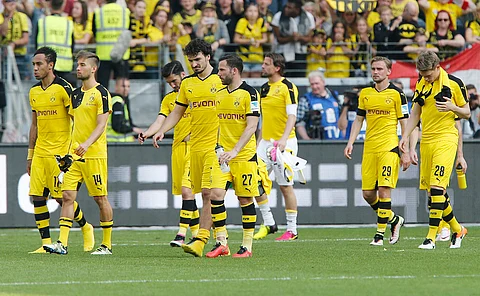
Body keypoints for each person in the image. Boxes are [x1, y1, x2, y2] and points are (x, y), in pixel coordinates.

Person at [151, 39, 225, 257]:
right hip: (195, 148)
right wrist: (162, 130)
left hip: (217, 146)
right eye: (191, 61)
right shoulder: (188, 84)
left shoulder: (220, 80)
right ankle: (221, 239)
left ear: (208, 57)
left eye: (198, 59)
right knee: (204, 195)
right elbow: (177, 112)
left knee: (209, 193)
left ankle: (201, 239)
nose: (194, 64)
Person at [44, 50, 114, 255]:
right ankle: (62, 243)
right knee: (67, 196)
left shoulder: (102, 93)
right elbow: (75, 123)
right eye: (77, 64)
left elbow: (101, 125)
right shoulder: (75, 94)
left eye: (82, 65)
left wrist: (87, 144)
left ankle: (107, 244)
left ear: (93, 68)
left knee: (100, 198)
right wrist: (70, 150)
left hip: (94, 154)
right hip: (75, 155)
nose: (78, 68)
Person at [399, 51, 470, 250]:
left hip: (446, 139)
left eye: (428, 74)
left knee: (438, 188)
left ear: (438, 67)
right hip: (427, 140)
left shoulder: (454, 83)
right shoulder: (421, 83)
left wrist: (452, 107)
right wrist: (404, 136)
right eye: (422, 74)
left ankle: (431, 237)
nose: (425, 78)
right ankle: (457, 229)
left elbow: (467, 112)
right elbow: (416, 112)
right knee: (433, 192)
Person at [27, 47, 94, 254]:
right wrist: (30, 154)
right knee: (37, 197)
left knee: (61, 198)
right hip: (40, 152)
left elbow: (76, 119)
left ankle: (86, 227)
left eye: (39, 64)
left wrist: (72, 152)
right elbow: (34, 125)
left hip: (60, 152)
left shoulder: (65, 88)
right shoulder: (34, 92)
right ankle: (46, 242)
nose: (36, 69)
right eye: (34, 65)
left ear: (51, 65)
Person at [344, 56, 409, 246]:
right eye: (373, 69)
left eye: (380, 69)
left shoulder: (398, 94)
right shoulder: (365, 93)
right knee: (367, 194)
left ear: (389, 72)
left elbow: (405, 123)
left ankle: (379, 235)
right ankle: (394, 219)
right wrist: (350, 142)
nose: (376, 72)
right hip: (369, 147)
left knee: (383, 189)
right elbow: (358, 119)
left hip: (389, 147)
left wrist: (404, 150)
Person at [138, 61, 199, 247]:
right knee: (187, 194)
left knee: (187, 190)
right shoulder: (168, 99)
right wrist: (148, 133)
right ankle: (197, 237)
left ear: (182, 74)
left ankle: (181, 234)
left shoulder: (196, 91)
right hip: (178, 148)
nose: (173, 85)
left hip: (196, 147)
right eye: (169, 82)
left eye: (174, 80)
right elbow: (160, 121)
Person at [213, 54, 262, 257]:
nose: (218, 73)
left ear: (234, 71)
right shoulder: (219, 94)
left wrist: (235, 151)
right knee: (215, 195)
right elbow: (219, 124)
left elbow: (252, 126)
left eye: (222, 69)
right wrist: (218, 147)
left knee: (244, 199)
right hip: (223, 156)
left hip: (243, 156)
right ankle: (221, 242)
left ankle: (247, 246)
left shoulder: (250, 94)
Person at [256, 53, 300, 241]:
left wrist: (283, 139)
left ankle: (292, 229)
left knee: (285, 186)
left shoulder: (288, 87)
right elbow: (262, 120)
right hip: (264, 142)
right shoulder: (264, 88)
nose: (263, 67)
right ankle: (268, 222)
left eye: (266, 64)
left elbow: (292, 116)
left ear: (277, 68)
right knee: (253, 181)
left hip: (284, 143)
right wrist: (257, 142)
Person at [36, 0, 76, 86]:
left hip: (45, 65)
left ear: (49, 4)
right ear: (63, 5)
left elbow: (36, 44)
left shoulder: (42, 22)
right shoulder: (68, 23)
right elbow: (72, 46)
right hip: (64, 67)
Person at [271, 0, 315, 77]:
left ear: (297, 9)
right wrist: (291, 38)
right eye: (286, 6)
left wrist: (299, 37)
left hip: (300, 53)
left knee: (299, 77)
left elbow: (309, 38)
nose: (286, 9)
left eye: (289, 8)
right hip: (282, 53)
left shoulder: (308, 17)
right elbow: (279, 39)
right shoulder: (278, 16)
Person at [93, 0, 130, 88]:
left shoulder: (98, 12)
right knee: (123, 87)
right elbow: (129, 32)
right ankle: (123, 102)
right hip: (122, 54)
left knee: (102, 88)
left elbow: (94, 32)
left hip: (103, 54)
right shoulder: (125, 11)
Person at [296, 71, 342, 140]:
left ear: (323, 82)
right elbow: (299, 123)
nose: (314, 87)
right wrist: (307, 140)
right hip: (317, 141)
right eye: (312, 84)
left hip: (338, 139)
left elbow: (342, 117)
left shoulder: (335, 96)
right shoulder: (305, 100)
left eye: (317, 83)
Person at [0, 0, 30, 79]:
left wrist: (14, 43)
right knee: (5, 84)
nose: (11, 3)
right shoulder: (1, 17)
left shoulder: (22, 16)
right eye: (8, 1)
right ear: (3, 2)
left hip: (20, 56)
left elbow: (25, 39)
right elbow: (3, 32)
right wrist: (8, 16)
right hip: (4, 57)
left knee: (23, 81)